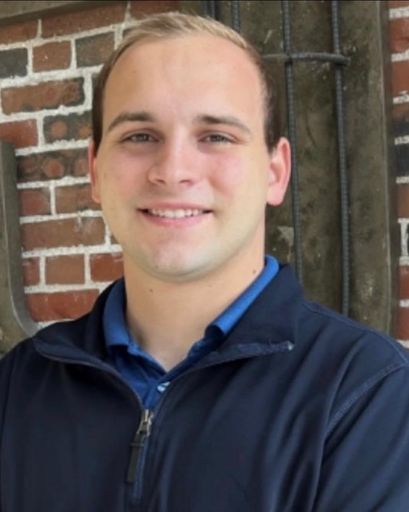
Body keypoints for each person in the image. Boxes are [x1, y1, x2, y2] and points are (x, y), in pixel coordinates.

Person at [1, 11, 408, 512]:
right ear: (95, 169)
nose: (173, 170)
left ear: (275, 172)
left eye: (216, 136)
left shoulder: (365, 394)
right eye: (139, 136)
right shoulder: (20, 385)